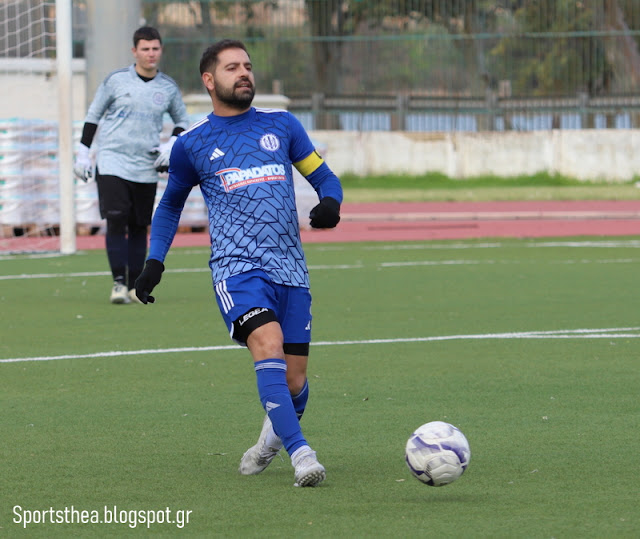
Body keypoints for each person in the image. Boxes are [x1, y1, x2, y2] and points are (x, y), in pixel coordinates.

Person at [134, 39, 343, 487]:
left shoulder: (282, 126)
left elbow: (324, 176)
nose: (244, 72)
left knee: (294, 382)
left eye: (247, 65)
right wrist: (155, 261)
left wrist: (330, 202)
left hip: (291, 269)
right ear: (209, 80)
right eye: (232, 67)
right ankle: (302, 454)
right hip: (237, 270)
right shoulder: (192, 143)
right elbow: (170, 206)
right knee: (267, 343)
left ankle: (268, 443)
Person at [74, 26, 190, 304]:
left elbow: (182, 121)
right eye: (145, 49)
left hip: (145, 167)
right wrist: (83, 152)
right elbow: (93, 115)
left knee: (139, 225)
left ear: (161, 50)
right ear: (134, 51)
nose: (151, 53)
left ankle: (134, 286)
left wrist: (170, 145)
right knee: (116, 219)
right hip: (112, 161)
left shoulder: (168, 87)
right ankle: (118, 283)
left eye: (155, 48)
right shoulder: (116, 81)